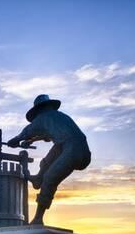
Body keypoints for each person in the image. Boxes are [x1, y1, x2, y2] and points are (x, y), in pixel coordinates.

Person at [7, 94, 91, 225]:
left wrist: (15, 140)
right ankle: (38, 178)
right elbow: (46, 134)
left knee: (50, 179)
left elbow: (28, 130)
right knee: (46, 161)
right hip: (80, 149)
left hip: (71, 149)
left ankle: (38, 219)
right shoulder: (60, 117)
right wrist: (30, 141)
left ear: (39, 110)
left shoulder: (43, 117)